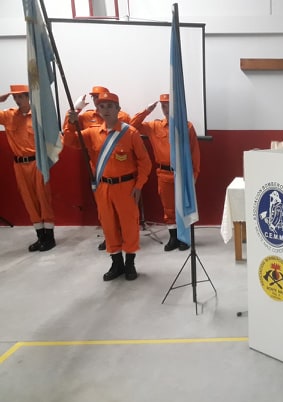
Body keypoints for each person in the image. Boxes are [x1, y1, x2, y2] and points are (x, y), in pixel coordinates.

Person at [63, 92, 152, 281]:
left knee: (129, 226)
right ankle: (116, 263)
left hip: (126, 187)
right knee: (108, 225)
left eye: (110, 106)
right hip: (103, 187)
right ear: (97, 110)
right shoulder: (92, 133)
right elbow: (69, 140)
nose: (106, 110)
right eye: (101, 106)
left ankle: (130, 263)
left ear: (118, 109)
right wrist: (70, 120)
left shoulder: (130, 133)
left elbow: (145, 162)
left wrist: (138, 186)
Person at [130, 93, 201, 251]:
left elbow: (194, 152)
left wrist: (194, 174)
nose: (166, 108)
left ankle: (184, 238)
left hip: (182, 173)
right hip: (164, 173)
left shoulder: (187, 126)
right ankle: (173, 237)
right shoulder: (154, 126)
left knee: (184, 206)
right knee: (168, 208)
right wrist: (147, 111)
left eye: (168, 105)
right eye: (163, 105)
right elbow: (132, 125)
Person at [68, 85, 131, 251]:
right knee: (104, 209)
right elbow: (71, 136)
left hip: (120, 167)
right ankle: (110, 237)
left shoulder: (122, 116)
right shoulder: (86, 117)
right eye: (94, 97)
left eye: (99, 96)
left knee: (122, 209)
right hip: (98, 169)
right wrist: (74, 112)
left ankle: (124, 236)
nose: (96, 100)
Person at [0, 84, 56, 251]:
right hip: (19, 164)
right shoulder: (8, 116)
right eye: (15, 97)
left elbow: (54, 138)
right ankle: (40, 236)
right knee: (28, 199)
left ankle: (49, 237)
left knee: (43, 197)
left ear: (28, 97)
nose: (17, 100)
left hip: (37, 162)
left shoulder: (39, 115)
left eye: (20, 96)